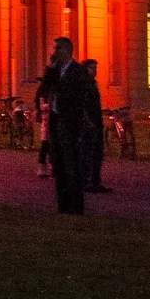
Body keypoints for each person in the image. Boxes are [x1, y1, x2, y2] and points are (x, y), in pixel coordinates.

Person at [44, 38, 95, 215]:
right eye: (53, 48)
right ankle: (62, 206)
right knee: (58, 166)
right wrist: (49, 69)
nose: (54, 52)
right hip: (56, 122)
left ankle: (76, 207)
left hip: (70, 124)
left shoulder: (78, 72)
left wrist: (78, 122)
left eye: (57, 48)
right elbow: (44, 90)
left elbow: (81, 100)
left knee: (72, 166)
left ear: (67, 50)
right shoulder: (55, 70)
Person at [80, 58, 110, 194]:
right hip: (89, 124)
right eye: (91, 68)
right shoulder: (84, 84)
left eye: (95, 68)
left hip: (96, 122)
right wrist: (87, 122)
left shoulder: (93, 83)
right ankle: (88, 180)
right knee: (89, 152)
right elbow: (83, 106)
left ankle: (95, 180)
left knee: (97, 153)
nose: (94, 71)